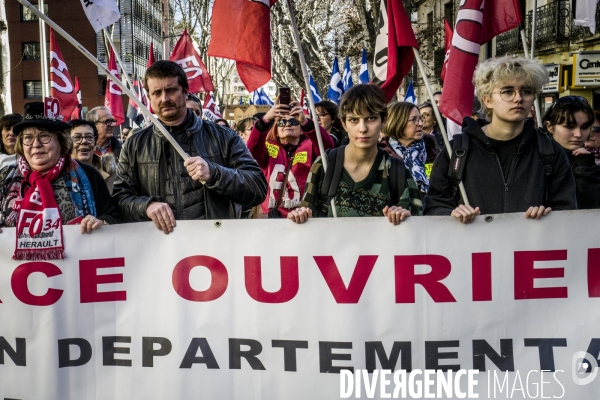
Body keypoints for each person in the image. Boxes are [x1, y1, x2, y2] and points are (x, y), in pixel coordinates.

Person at [112, 60, 267, 233]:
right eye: (157, 92)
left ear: (185, 92)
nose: (165, 98)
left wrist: (214, 173)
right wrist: (146, 206)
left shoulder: (223, 136)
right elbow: (120, 198)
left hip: (215, 245)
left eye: (171, 90)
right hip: (159, 249)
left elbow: (258, 187)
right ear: (149, 98)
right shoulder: (135, 144)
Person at [424, 56, 577, 223]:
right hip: (474, 247)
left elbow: (567, 210)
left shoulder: (550, 151)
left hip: (529, 247)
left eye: (526, 91)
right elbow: (434, 206)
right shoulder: (457, 150)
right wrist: (452, 215)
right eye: (508, 91)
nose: (518, 98)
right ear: (487, 100)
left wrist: (547, 215)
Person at [288, 84, 422, 225]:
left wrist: (406, 217)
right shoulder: (325, 165)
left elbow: (418, 225)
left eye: (371, 118)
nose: (362, 128)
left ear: (383, 120)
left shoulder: (397, 170)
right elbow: (308, 217)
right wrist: (300, 216)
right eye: (354, 120)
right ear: (344, 123)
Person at [0, 102, 118, 259]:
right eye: (28, 138)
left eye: (44, 136)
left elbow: (113, 216)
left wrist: (102, 222)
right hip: (19, 276)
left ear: (61, 141)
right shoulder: (5, 178)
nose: (36, 144)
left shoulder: (88, 174)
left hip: (76, 274)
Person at [247, 99, 334, 218]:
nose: (287, 124)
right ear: (276, 131)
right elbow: (252, 148)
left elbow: (328, 146)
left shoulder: (310, 146)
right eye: (281, 122)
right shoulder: (267, 148)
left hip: (304, 217)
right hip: (272, 218)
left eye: (293, 122)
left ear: (302, 130)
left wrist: (305, 121)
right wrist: (266, 118)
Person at [542, 96, 600, 209]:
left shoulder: (588, 161)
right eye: (569, 127)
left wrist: (585, 166)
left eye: (584, 127)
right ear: (550, 127)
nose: (578, 134)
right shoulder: (535, 159)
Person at [381, 102, 435, 197]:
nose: (420, 123)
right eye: (414, 120)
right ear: (397, 122)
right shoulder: (381, 156)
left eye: (420, 118)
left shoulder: (433, 151)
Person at [69, 119, 117, 194]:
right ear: (68, 144)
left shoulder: (111, 172)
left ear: (95, 144)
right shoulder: (60, 176)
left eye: (89, 137)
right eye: (77, 137)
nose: (84, 141)